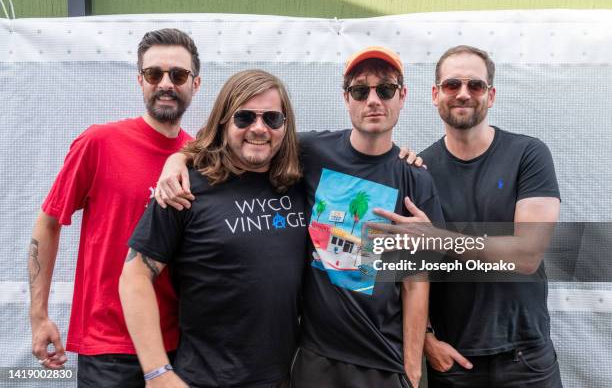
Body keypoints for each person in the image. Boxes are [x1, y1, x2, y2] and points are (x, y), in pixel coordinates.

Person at [156, 47, 444, 388]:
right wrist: (175, 161)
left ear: (403, 96)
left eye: (385, 89)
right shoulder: (311, 151)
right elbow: (238, 140)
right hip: (313, 358)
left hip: (382, 360)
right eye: (360, 90)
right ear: (346, 97)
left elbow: (416, 282)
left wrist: (411, 368)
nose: (373, 100)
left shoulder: (415, 178)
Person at [28, 28, 201, 387]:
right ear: (140, 81)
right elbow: (48, 223)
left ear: (195, 84)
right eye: (154, 74)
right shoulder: (99, 143)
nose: (166, 83)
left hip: (176, 345)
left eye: (178, 75)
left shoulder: (200, 156)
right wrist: (38, 315)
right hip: (107, 347)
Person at [119, 69, 307, 388]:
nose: (259, 129)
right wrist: (157, 373)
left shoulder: (301, 182)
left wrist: (408, 168)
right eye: (244, 118)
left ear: (285, 126)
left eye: (272, 119)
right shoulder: (184, 189)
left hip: (284, 380)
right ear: (223, 121)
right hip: (205, 380)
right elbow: (134, 276)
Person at [389, 45, 562, 387]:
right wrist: (426, 340)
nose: (463, 94)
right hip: (454, 363)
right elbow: (402, 272)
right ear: (436, 95)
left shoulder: (528, 155)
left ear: (491, 95)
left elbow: (527, 254)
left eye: (476, 86)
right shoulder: (417, 171)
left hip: (525, 359)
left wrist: (437, 238)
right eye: (452, 85)